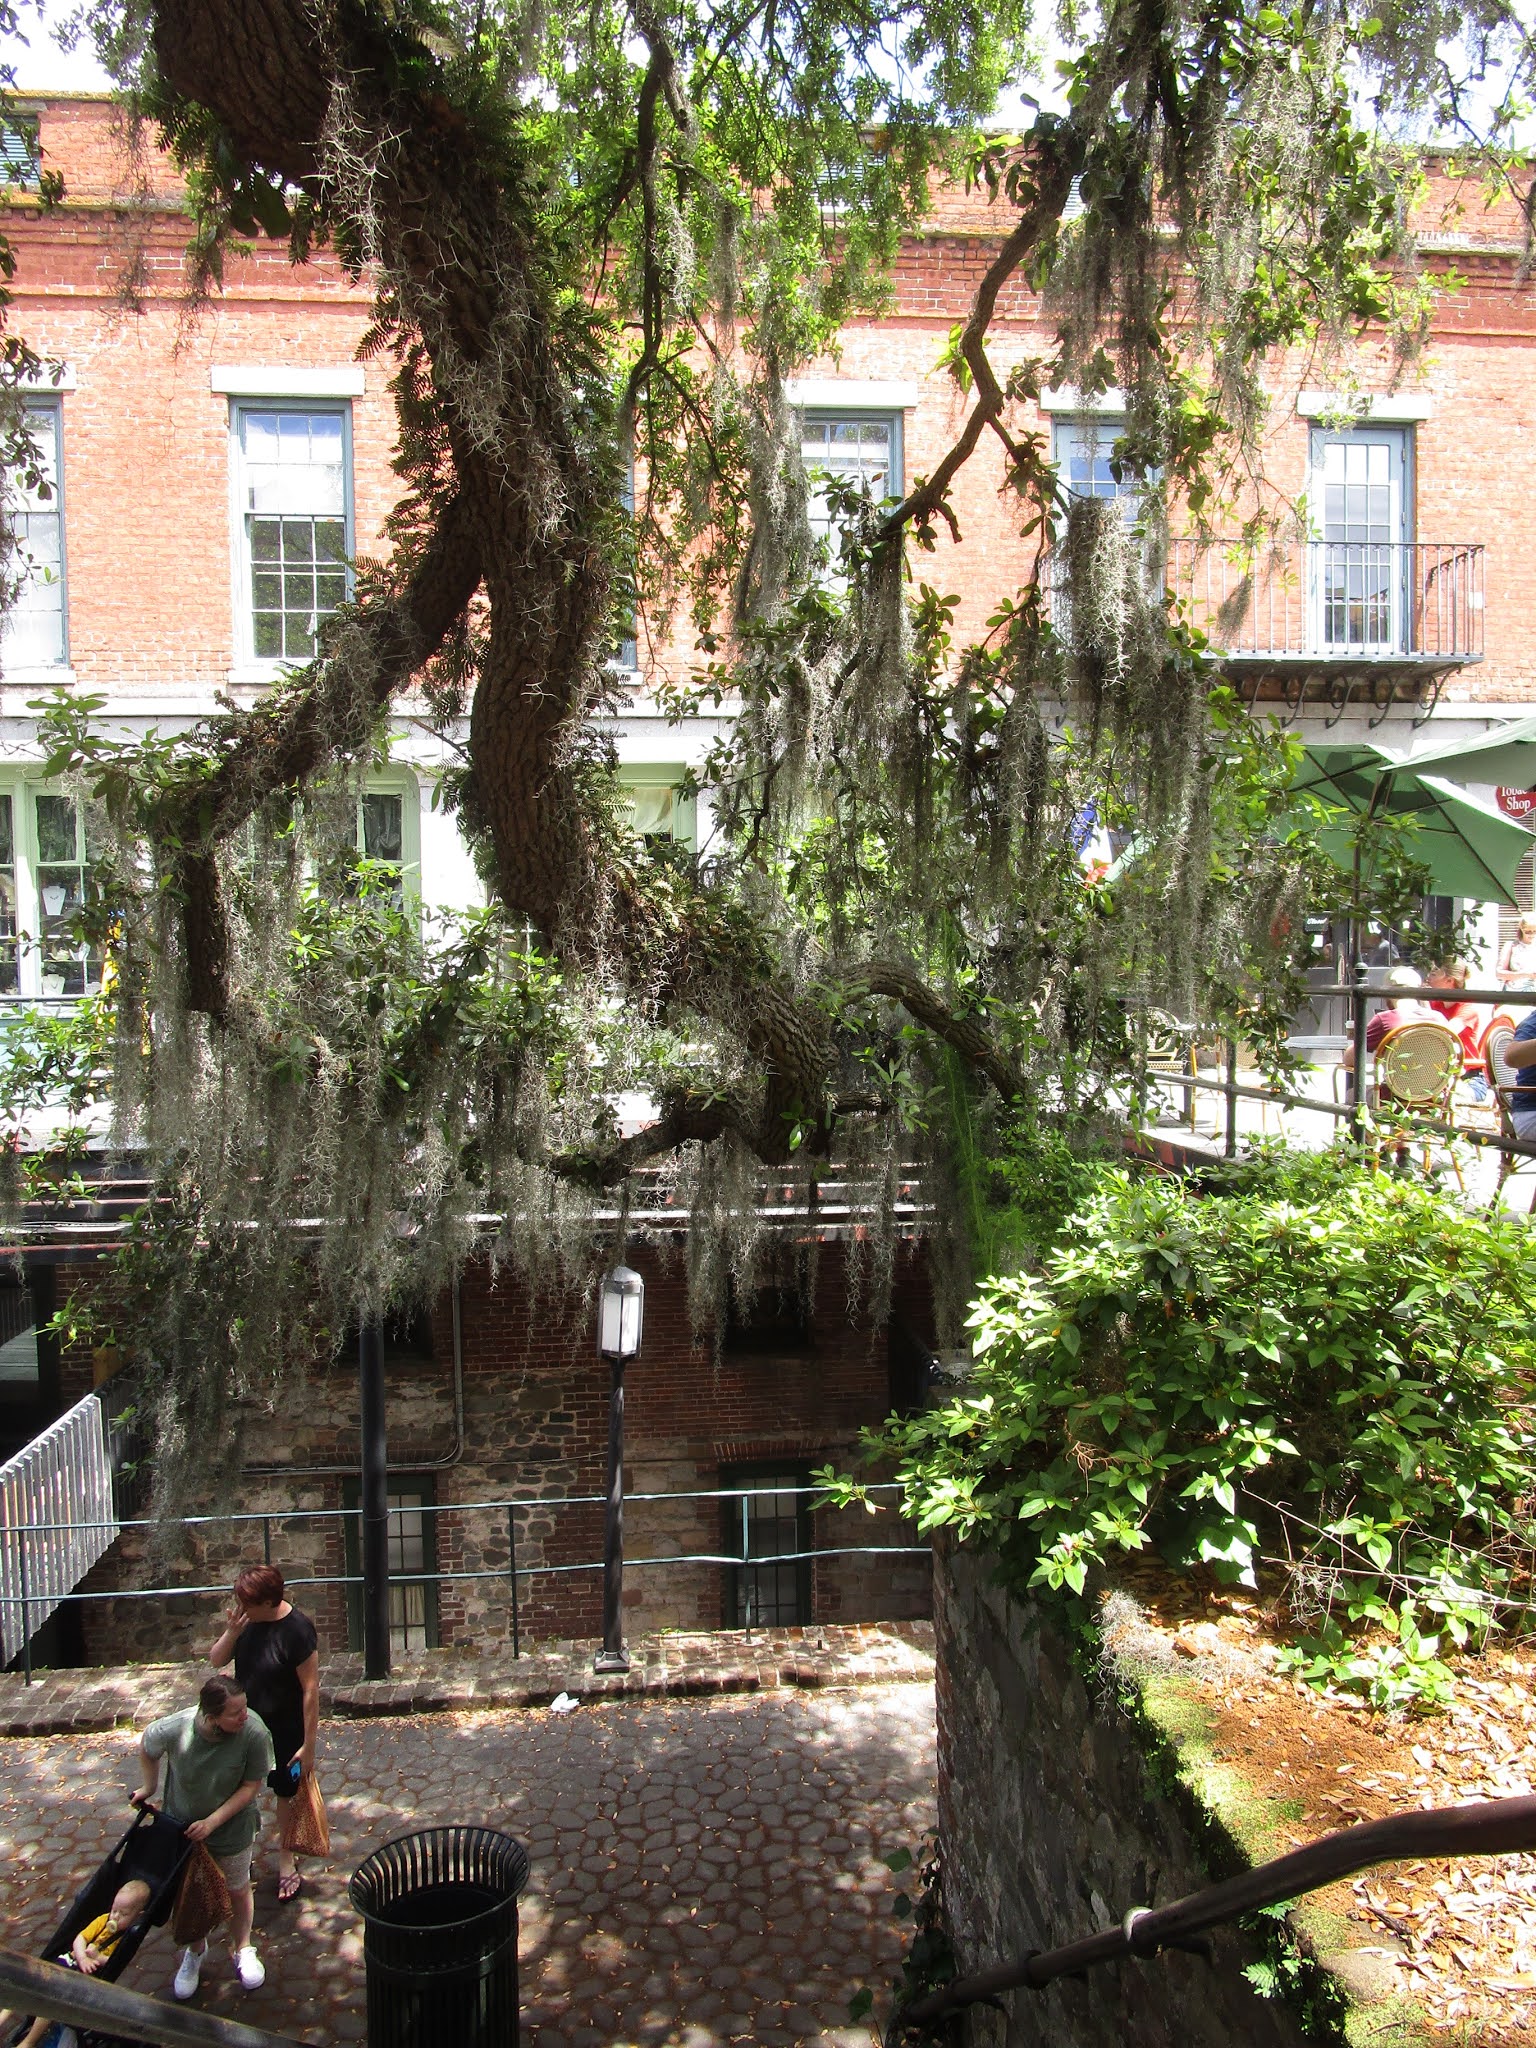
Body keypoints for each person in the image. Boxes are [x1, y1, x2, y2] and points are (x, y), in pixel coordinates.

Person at [136, 1673, 274, 2000]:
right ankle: (196, 1951)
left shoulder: (254, 1733)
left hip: (231, 1828)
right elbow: (148, 1743)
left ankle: (243, 1947)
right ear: (210, 1717)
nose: (245, 1716)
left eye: (245, 1708)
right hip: (182, 1832)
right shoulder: (179, 1727)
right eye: (235, 1713)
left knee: (237, 1887)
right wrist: (148, 1788)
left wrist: (212, 1822)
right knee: (191, 1893)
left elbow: (250, 1787)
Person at [209, 1565, 320, 1904]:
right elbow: (216, 1659)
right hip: (245, 1725)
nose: (241, 1609)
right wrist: (231, 1631)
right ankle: (234, 1857)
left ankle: (287, 1858)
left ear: (269, 1602)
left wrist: (309, 1745)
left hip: (285, 1728)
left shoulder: (297, 1630)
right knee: (236, 1789)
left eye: (247, 1603)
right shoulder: (246, 1624)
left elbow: (310, 1690)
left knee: (285, 1793)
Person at [12, 1877, 153, 2048]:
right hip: (69, 1961)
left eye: (123, 1914)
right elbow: (80, 1938)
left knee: (52, 1998)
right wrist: (83, 1957)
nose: (115, 1916)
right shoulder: (103, 1920)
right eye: (114, 1910)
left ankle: (29, 2041)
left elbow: (114, 1961)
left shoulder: (125, 1938)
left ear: (138, 1916)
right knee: (23, 1980)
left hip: (79, 1977)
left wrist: (97, 1958)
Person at [1497, 917, 1536, 989]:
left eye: (1535, 931)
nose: (1532, 935)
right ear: (1521, 929)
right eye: (1528, 932)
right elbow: (1499, 973)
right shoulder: (1511, 946)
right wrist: (1525, 974)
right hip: (1514, 992)